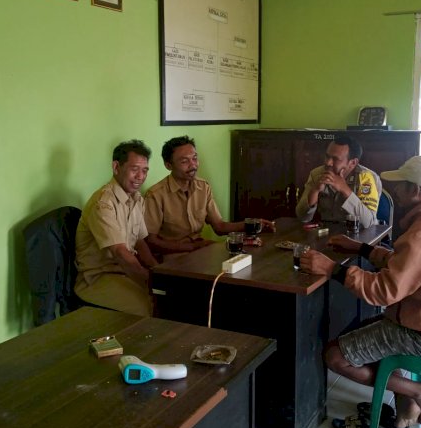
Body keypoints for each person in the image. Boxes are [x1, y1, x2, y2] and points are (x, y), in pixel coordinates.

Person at [300, 156, 421, 428]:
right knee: (363, 334)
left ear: (416, 191)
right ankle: (406, 409)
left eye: (400, 185)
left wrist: (332, 268)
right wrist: (363, 249)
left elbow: (384, 291)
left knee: (335, 356)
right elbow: (409, 264)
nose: (393, 189)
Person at [144, 135, 274, 255]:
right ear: (168, 165)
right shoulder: (155, 195)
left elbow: (219, 227)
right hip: (172, 255)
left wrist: (254, 224)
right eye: (184, 161)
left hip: (199, 251)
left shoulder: (203, 187)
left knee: (246, 260)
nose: (193, 165)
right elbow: (151, 242)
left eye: (195, 158)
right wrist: (195, 247)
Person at [75, 139, 158, 316]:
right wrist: (149, 282)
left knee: (171, 297)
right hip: (98, 278)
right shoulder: (103, 203)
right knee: (150, 306)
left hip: (124, 272)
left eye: (144, 171)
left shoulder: (136, 198)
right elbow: (120, 252)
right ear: (116, 167)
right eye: (134, 169)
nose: (140, 176)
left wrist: (158, 271)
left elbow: (140, 242)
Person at [295, 135, 381, 227]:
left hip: (356, 235)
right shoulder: (317, 174)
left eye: (335, 159)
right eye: (327, 156)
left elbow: (369, 223)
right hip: (324, 233)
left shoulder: (366, 177)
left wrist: (345, 190)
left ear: (352, 163)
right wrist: (315, 191)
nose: (328, 162)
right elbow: (302, 217)